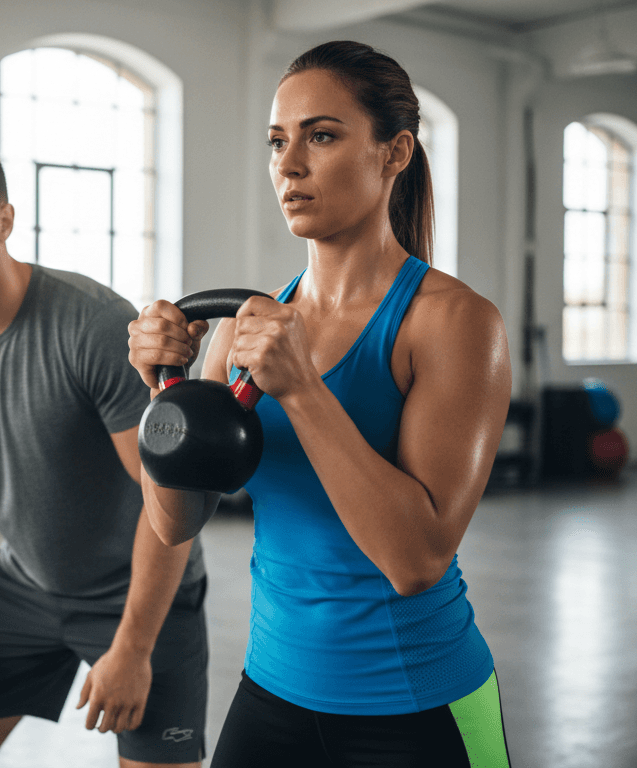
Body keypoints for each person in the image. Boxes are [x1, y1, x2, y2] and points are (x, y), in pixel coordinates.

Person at [127, 41, 513, 767]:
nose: (289, 163)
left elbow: (417, 559)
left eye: (323, 135)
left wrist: (303, 390)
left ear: (394, 152)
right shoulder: (249, 329)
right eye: (278, 141)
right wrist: (165, 398)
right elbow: (175, 521)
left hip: (417, 707)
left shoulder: (453, 323)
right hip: (272, 694)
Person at [0, 130, 209, 768]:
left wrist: (135, 647)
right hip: (26, 589)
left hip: (140, 593)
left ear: (3, 220)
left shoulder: (93, 327)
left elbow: (166, 500)